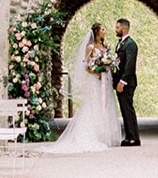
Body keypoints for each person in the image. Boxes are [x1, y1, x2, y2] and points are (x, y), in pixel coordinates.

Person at [48, 22, 122, 152]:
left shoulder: (106, 46)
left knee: (106, 104)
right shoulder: (90, 47)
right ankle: (93, 134)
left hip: (106, 80)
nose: (105, 31)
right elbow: (87, 66)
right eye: (103, 29)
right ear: (97, 32)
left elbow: (109, 64)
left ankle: (106, 136)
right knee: (94, 104)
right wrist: (98, 71)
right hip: (95, 80)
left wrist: (108, 72)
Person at [114, 18, 140, 146]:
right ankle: (128, 136)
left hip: (127, 83)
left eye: (117, 28)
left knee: (128, 109)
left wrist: (122, 81)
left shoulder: (131, 44)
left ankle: (135, 137)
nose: (116, 30)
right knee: (124, 109)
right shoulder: (120, 44)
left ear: (123, 29)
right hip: (119, 81)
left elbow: (130, 65)